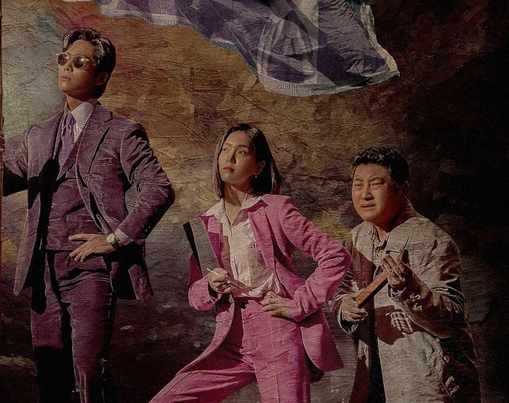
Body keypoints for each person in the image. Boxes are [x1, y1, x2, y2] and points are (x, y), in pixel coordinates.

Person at [0, 27, 174, 402]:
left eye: (79, 62)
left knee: (88, 373)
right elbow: (2, 183)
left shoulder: (121, 132)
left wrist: (115, 238)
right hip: (42, 269)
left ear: (100, 77)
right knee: (49, 374)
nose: (67, 66)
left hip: (91, 270)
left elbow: (159, 188)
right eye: (63, 59)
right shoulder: (39, 134)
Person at [151, 123, 350, 403]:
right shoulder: (204, 223)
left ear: (259, 166)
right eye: (225, 150)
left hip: (277, 333)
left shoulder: (276, 209)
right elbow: (196, 297)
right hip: (231, 339)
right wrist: (210, 286)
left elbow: (335, 256)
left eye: (241, 152)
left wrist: (298, 304)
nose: (229, 158)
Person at [331, 146, 481, 402]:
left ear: (402, 189)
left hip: (427, 381)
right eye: (358, 185)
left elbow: (451, 320)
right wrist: (345, 306)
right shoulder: (357, 238)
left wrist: (408, 288)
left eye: (375, 184)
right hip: (373, 380)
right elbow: (342, 290)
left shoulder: (432, 240)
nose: (365, 194)